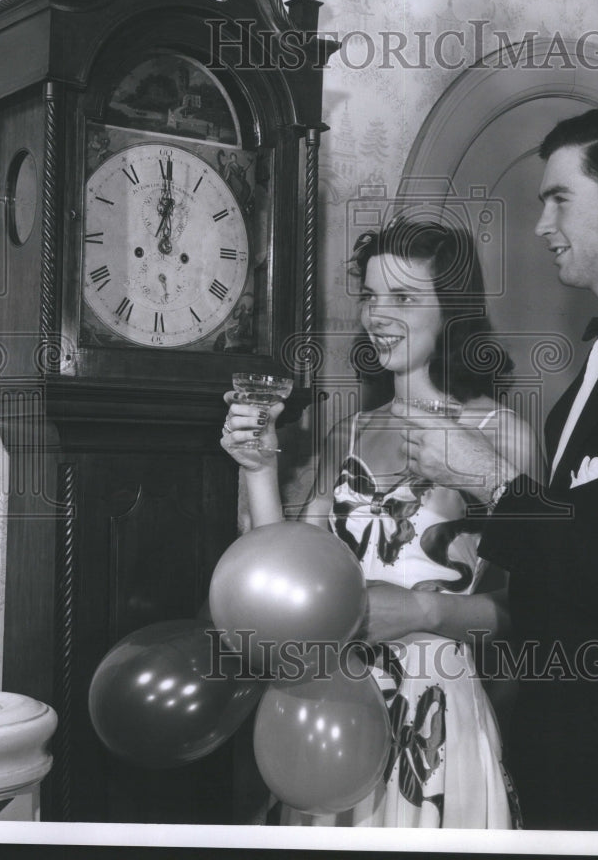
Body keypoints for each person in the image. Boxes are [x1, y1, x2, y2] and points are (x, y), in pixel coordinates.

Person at [400, 106, 598, 832]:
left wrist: (489, 482)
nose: (541, 225)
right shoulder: (594, 372)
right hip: (563, 747)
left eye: (558, 199)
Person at [220, 217, 541, 828]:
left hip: (435, 726)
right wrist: (258, 464)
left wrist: (424, 612)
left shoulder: (501, 438)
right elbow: (283, 585)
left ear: (452, 310)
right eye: (369, 295)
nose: (377, 314)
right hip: (331, 717)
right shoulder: (353, 431)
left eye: (403, 297)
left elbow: (525, 609)